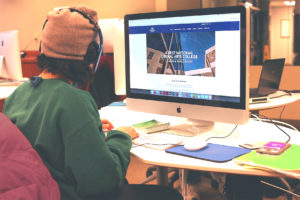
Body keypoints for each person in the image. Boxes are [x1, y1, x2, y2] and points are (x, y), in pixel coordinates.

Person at [3, 6, 182, 200]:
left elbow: (52, 145)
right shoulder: (75, 100)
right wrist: (120, 137)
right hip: (69, 195)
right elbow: (103, 182)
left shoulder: (17, 95)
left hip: (40, 193)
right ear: (91, 55)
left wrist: (91, 131)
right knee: (168, 195)